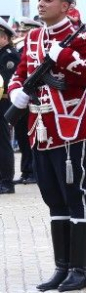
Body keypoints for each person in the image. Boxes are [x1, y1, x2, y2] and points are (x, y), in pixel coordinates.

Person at [8, 0, 86, 292]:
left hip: (69, 128)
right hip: (40, 128)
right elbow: (22, 73)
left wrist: (65, 57)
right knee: (52, 197)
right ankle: (62, 266)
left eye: (48, 0)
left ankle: (79, 269)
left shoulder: (76, 38)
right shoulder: (34, 37)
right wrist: (16, 92)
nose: (41, 4)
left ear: (66, 6)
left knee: (75, 196)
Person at [0, 16, 21, 194]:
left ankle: (7, 181)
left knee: (3, 142)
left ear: (5, 37)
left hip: (3, 102)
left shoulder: (9, 56)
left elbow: (6, 81)